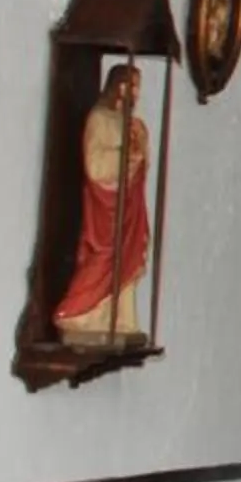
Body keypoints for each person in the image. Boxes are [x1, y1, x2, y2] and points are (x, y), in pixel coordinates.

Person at [55, 62, 152, 344]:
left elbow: (139, 163)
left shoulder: (130, 123)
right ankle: (75, 313)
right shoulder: (98, 119)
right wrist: (125, 156)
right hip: (106, 202)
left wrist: (139, 151)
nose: (136, 93)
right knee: (104, 254)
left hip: (129, 203)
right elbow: (95, 165)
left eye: (138, 87)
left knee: (129, 255)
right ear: (118, 86)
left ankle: (123, 321)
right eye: (132, 86)